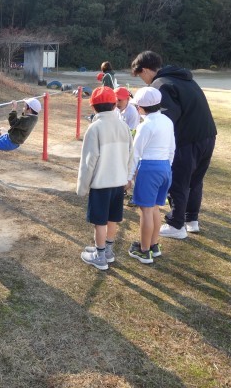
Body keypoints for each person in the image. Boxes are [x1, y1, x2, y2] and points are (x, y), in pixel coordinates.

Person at [130, 50, 217, 239]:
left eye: (140, 76)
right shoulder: (183, 78)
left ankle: (176, 225)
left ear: (145, 70)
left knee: (178, 181)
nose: (144, 81)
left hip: (187, 140)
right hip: (208, 136)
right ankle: (191, 220)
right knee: (195, 180)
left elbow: (165, 120)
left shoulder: (160, 85)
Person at [77, 87, 134, 271]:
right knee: (112, 219)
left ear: (93, 107)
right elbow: (130, 155)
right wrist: (128, 177)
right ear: (114, 105)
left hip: (101, 183)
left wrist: (82, 187)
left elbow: (88, 162)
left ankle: (100, 256)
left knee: (99, 221)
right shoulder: (123, 126)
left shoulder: (95, 128)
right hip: (119, 182)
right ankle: (107, 251)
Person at [127, 87, 175, 264]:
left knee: (146, 211)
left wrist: (129, 177)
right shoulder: (167, 121)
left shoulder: (145, 126)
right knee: (155, 208)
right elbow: (172, 148)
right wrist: (167, 166)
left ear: (140, 108)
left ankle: (144, 250)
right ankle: (153, 245)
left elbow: (135, 154)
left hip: (149, 168)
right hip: (165, 167)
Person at [0, 98, 40, 171]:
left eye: (24, 106)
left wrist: (14, 109)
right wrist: (26, 106)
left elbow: (13, 122)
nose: (23, 108)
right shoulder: (33, 117)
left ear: (29, 109)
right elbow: (22, 119)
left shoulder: (27, 120)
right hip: (12, 137)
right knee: (1, 129)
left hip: (10, 142)